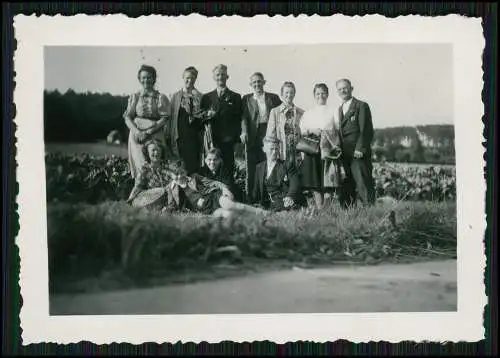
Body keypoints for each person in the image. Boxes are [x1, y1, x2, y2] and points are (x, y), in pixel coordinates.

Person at [298, 83, 342, 209]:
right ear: (314, 95)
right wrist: (312, 129)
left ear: (327, 94)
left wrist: (327, 133)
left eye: (323, 93)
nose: (320, 96)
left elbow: (338, 128)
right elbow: (302, 129)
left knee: (328, 178)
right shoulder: (309, 112)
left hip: (328, 147)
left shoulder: (334, 110)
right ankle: (319, 208)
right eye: (317, 93)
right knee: (314, 179)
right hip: (312, 148)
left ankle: (326, 209)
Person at [123, 65, 171, 179]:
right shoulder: (135, 96)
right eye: (143, 77)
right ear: (139, 79)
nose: (146, 80)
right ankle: (140, 193)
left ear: (154, 79)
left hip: (155, 134)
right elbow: (127, 117)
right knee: (141, 165)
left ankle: (157, 193)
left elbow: (164, 118)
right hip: (138, 136)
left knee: (156, 164)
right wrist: (137, 132)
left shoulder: (160, 97)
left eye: (149, 77)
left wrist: (148, 132)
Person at [241, 72, 282, 202]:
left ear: (264, 82)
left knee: (268, 164)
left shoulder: (273, 97)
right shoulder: (246, 99)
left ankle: (268, 196)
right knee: (252, 167)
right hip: (253, 135)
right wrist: (244, 132)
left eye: (259, 81)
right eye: (254, 82)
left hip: (269, 133)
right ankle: (252, 197)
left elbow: (282, 110)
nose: (257, 84)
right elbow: (244, 118)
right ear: (250, 84)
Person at [335, 78, 375, 206]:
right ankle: (349, 216)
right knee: (346, 186)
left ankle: (370, 214)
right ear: (337, 92)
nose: (343, 91)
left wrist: (360, 149)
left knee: (363, 183)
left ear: (351, 88)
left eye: (345, 88)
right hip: (344, 154)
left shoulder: (361, 106)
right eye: (340, 89)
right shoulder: (339, 109)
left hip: (358, 153)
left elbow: (366, 130)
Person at [170, 166, 266, 217]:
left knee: (232, 205)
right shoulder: (174, 189)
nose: (179, 176)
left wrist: (224, 189)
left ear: (184, 171)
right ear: (172, 176)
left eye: (180, 172)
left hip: (213, 197)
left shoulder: (194, 177)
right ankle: (252, 219)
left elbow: (213, 182)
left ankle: (261, 213)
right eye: (176, 174)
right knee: (229, 214)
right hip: (206, 210)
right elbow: (172, 204)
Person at [200, 64, 243, 176]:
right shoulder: (206, 97)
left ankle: (228, 193)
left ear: (227, 76)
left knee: (228, 170)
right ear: (214, 77)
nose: (220, 77)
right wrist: (207, 115)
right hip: (211, 142)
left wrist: (236, 142)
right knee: (211, 171)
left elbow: (239, 120)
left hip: (228, 142)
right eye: (217, 75)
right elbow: (201, 119)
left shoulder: (236, 97)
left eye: (223, 74)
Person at [167, 66, 204, 175]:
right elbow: (170, 118)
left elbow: (202, 119)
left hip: (193, 138)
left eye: (193, 78)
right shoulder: (175, 96)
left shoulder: (200, 97)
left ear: (196, 79)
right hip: (178, 137)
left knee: (192, 169)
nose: (190, 80)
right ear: (183, 78)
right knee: (178, 169)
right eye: (187, 78)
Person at [252, 136, 305, 212]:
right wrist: (254, 203)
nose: (274, 152)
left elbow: (295, 184)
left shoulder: (287, 165)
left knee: (283, 208)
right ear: (264, 149)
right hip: (268, 203)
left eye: (276, 149)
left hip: (284, 200)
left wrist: (290, 196)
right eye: (271, 149)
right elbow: (256, 190)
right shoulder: (259, 167)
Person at [126, 139, 179, 211]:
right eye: (153, 150)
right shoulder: (144, 169)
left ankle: (172, 206)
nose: (156, 153)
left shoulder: (167, 165)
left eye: (158, 150)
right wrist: (129, 201)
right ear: (147, 153)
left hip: (171, 195)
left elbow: (177, 179)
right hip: (154, 198)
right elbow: (137, 187)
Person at [266, 81, 304, 169]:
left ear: (294, 94)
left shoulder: (301, 113)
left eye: (291, 92)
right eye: (286, 92)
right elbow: (270, 136)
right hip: (281, 154)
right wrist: (273, 154)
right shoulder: (275, 112)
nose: (289, 95)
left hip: (296, 155)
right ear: (282, 94)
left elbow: (303, 135)